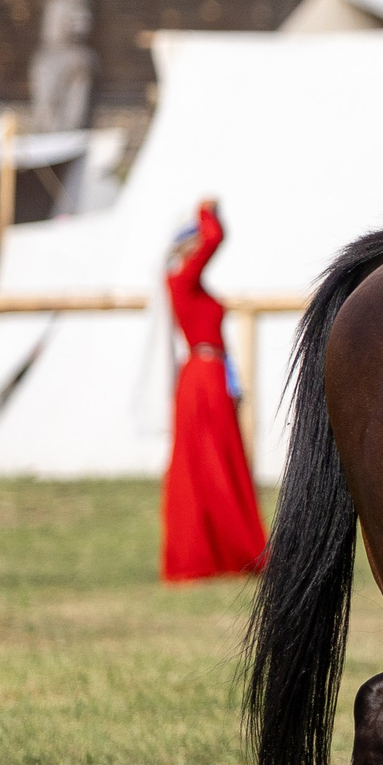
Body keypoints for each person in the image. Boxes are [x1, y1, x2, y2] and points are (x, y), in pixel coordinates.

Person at [162, 199, 266, 581]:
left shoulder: (192, 284)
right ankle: (211, 550)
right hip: (201, 377)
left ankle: (226, 548)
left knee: (222, 459)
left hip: (212, 371)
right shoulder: (180, 280)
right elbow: (214, 238)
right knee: (205, 462)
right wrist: (207, 212)